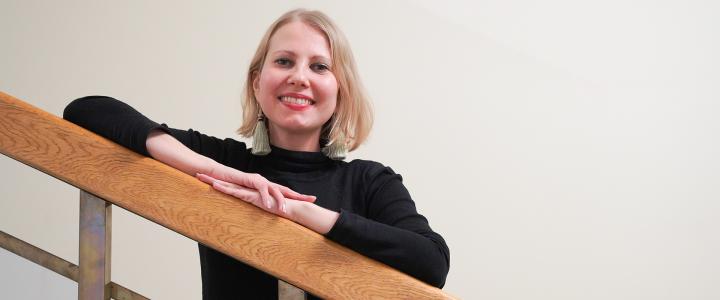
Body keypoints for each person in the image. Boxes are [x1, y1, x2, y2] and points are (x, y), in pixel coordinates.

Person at [63, 8, 449, 299]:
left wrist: (299, 213)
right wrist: (214, 170)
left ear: (340, 91)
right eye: (284, 61)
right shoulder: (227, 163)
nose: (299, 76)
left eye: (319, 66)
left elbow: (432, 261)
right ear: (257, 82)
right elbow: (86, 109)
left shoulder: (369, 181)